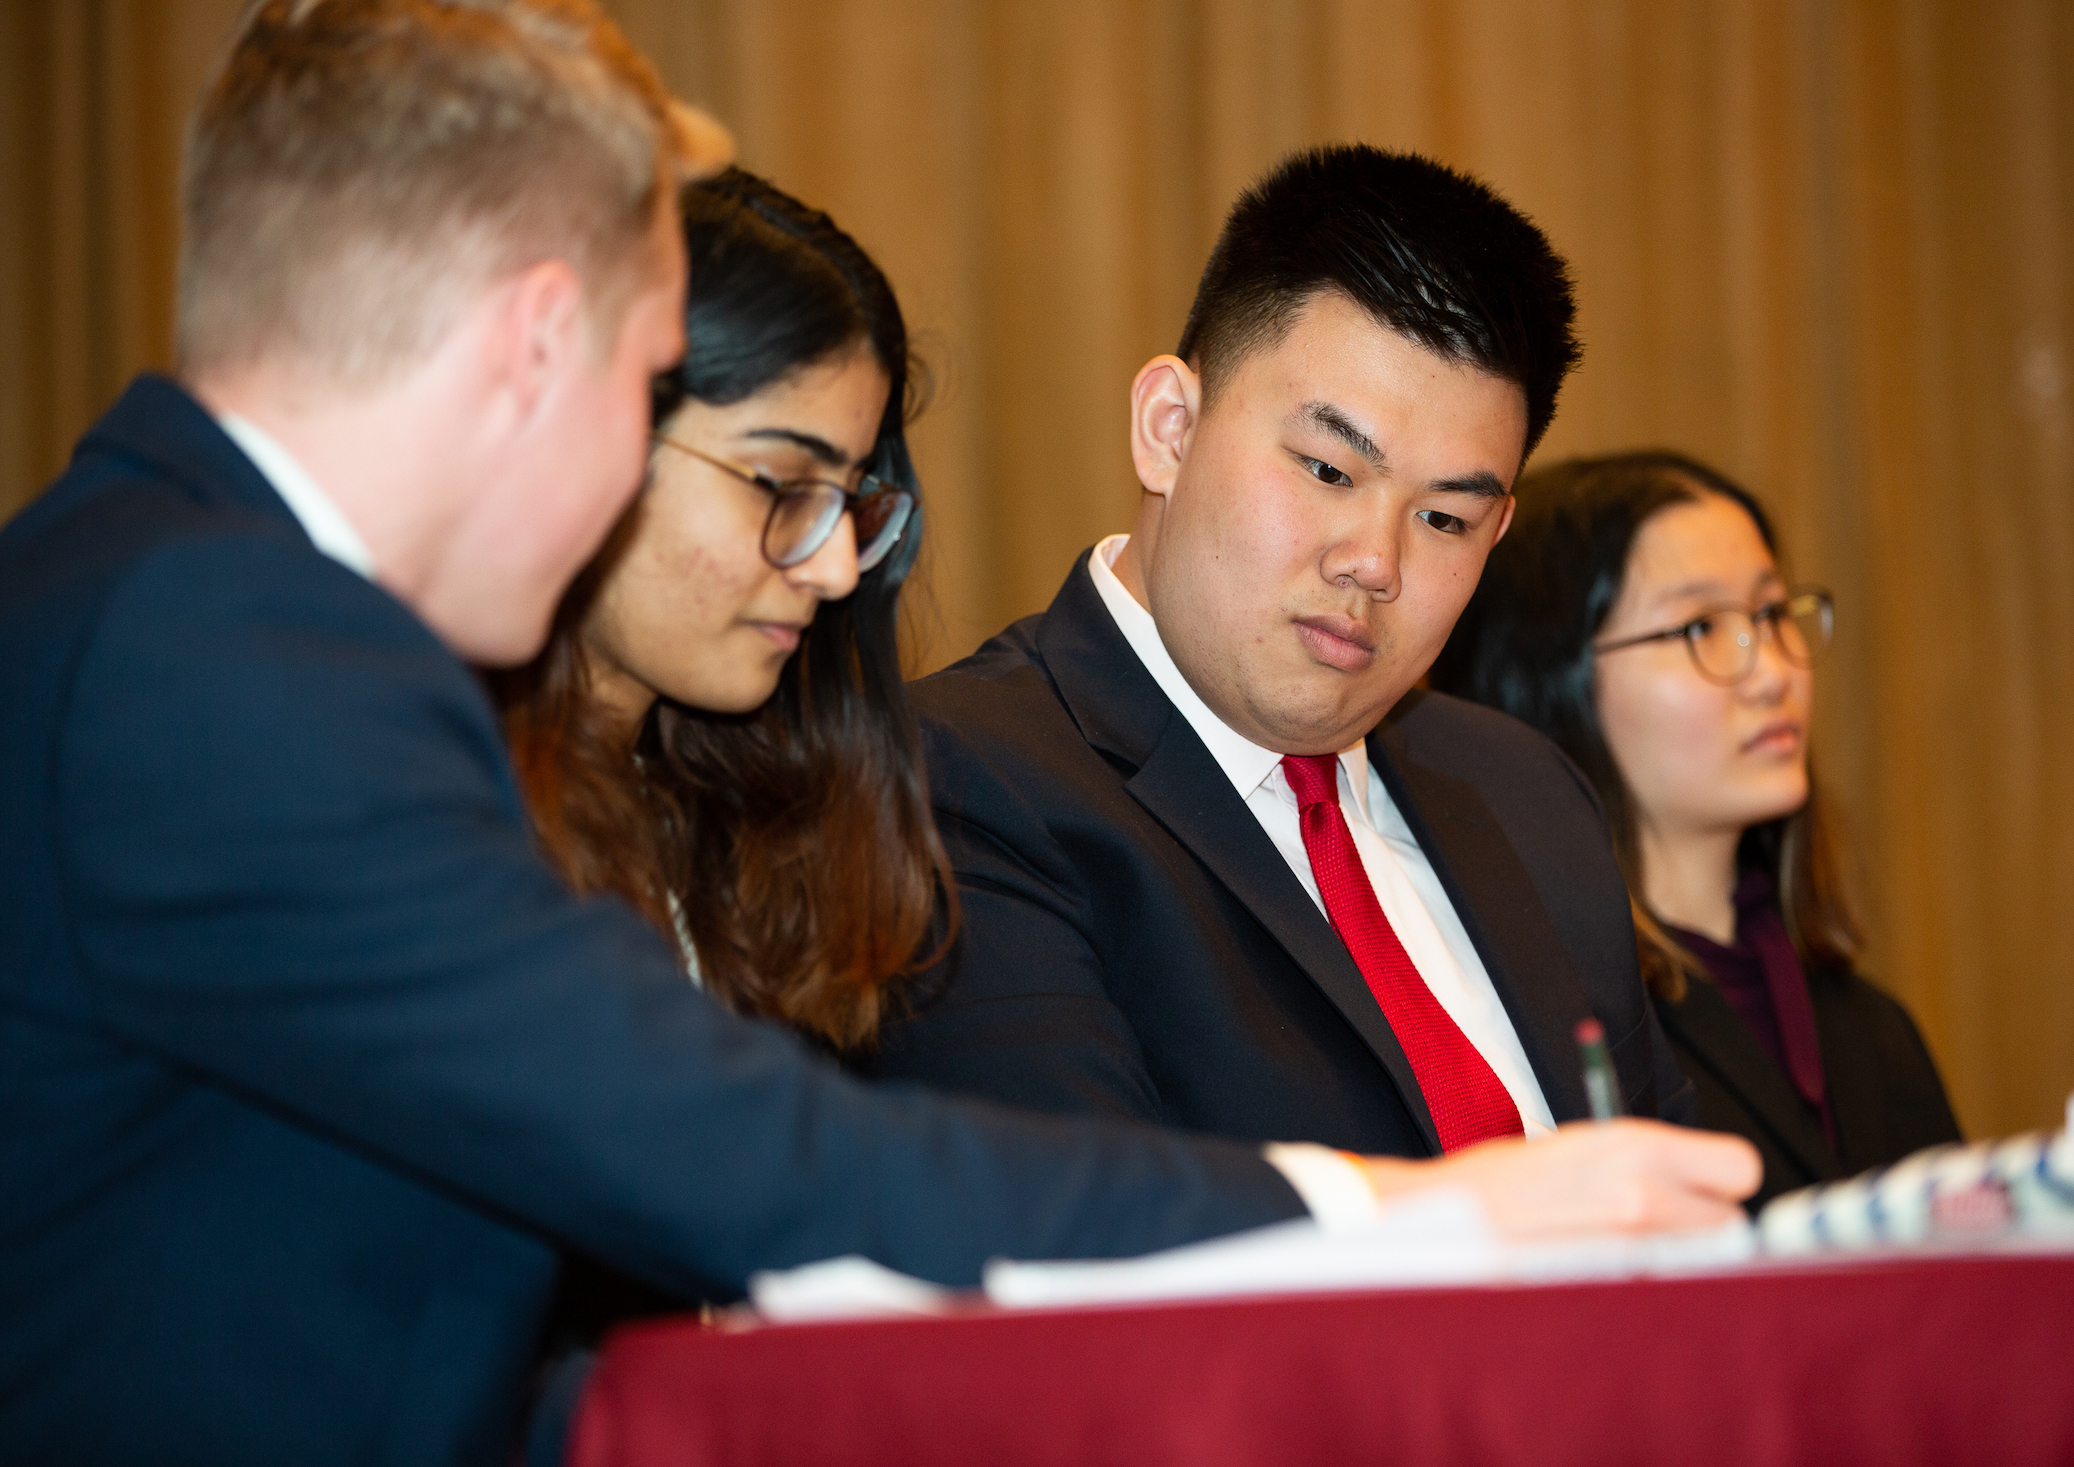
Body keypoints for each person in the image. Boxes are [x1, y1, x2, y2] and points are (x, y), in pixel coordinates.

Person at [0, 8, 1755, 1464]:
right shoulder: (221, 643)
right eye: (648, 389)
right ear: (540, 343)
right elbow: (733, 1153)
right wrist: (1412, 1219)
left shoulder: (154, 590)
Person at [869, 145, 1698, 1159]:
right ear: (1168, 427)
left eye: (1443, 519)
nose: (1373, 563)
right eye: (1327, 469)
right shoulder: (953, 783)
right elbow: (1095, 1254)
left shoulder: (1527, 796)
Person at [1429, 450, 1961, 1207]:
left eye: (1774, 615)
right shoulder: (1544, 1037)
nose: (1773, 670)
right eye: (1701, 626)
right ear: (1549, 682)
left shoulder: (1874, 1027)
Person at [494, 163, 939, 1054]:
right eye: (780, 484)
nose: (839, 568)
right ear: (589, 433)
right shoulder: (436, 808)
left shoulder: (716, 816)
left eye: (850, 501)